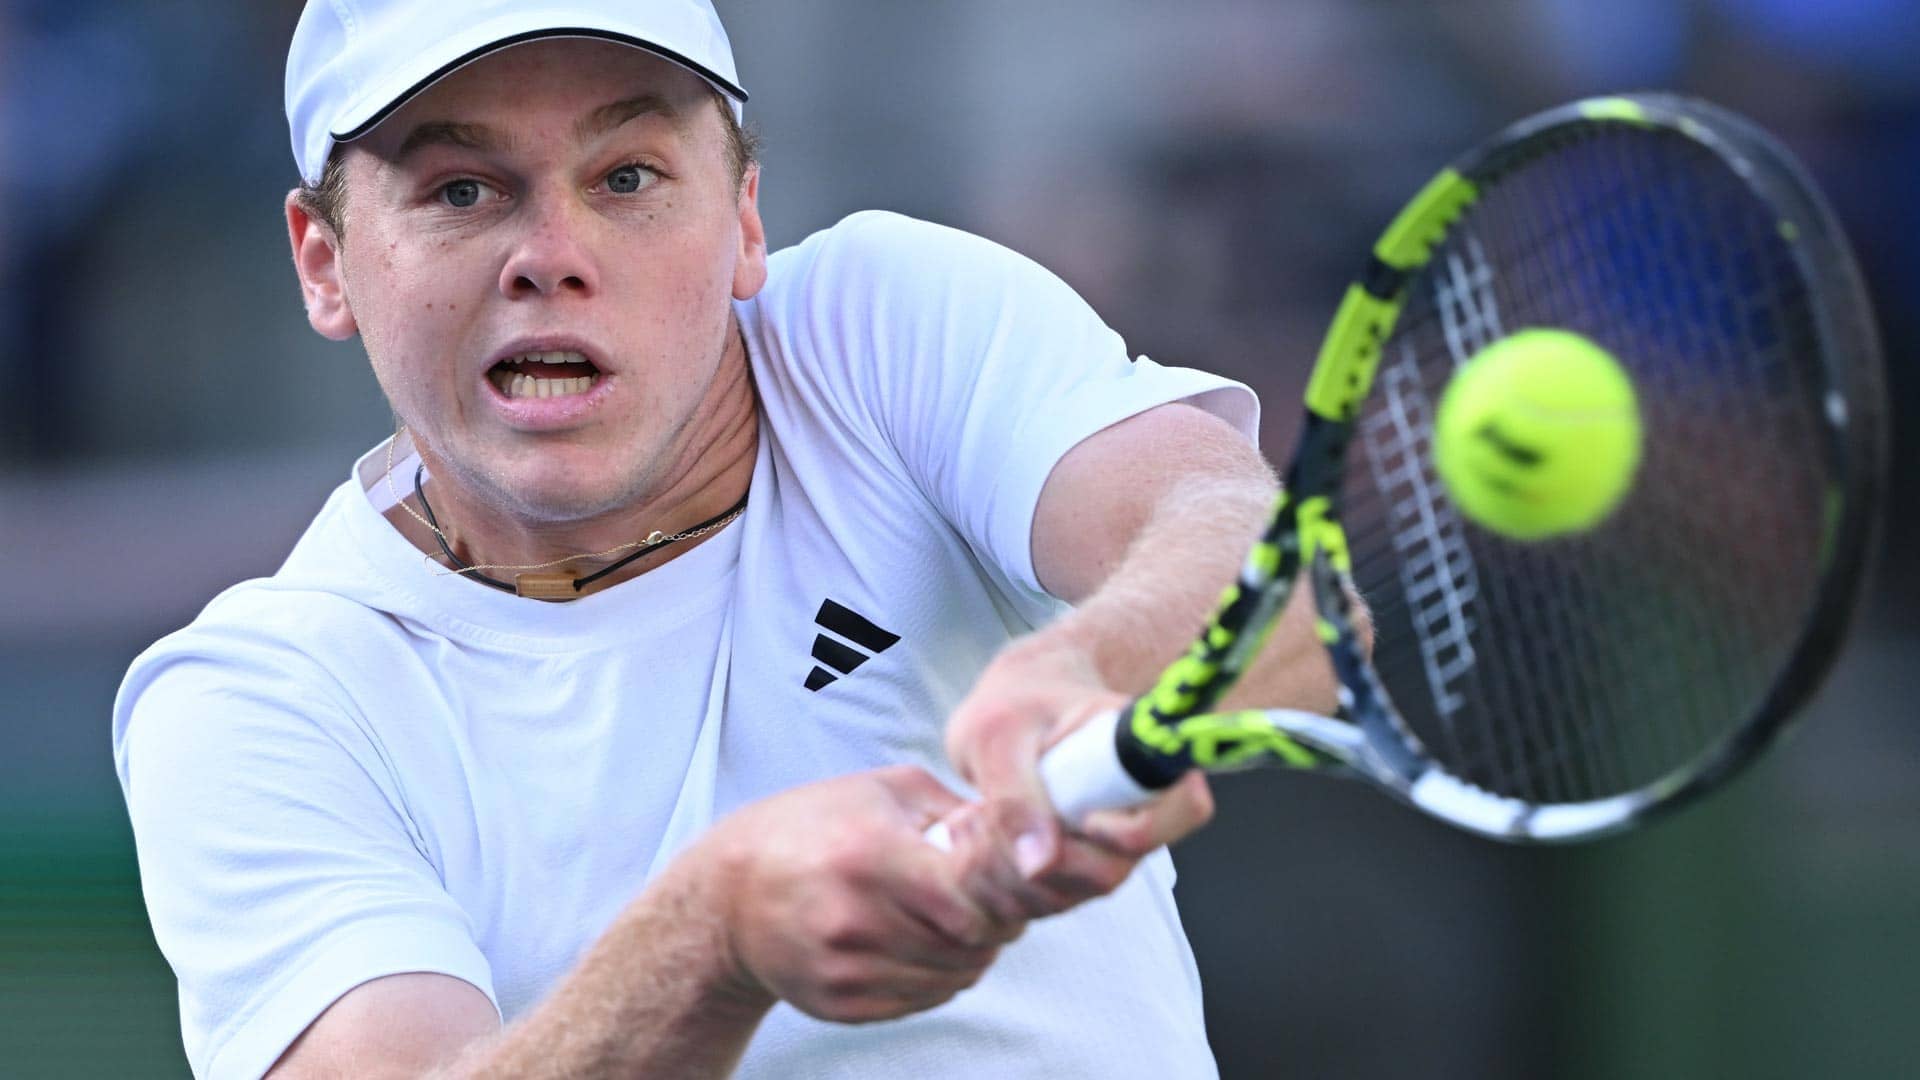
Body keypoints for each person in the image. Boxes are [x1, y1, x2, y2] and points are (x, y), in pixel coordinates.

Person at [112, 2, 1336, 1077]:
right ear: (324, 265)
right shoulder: (254, 699)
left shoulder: (889, 324)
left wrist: (1095, 668)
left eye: (629, 177)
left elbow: (1269, 574)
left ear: (745, 218)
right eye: (462, 191)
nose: (552, 258)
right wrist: (713, 936)